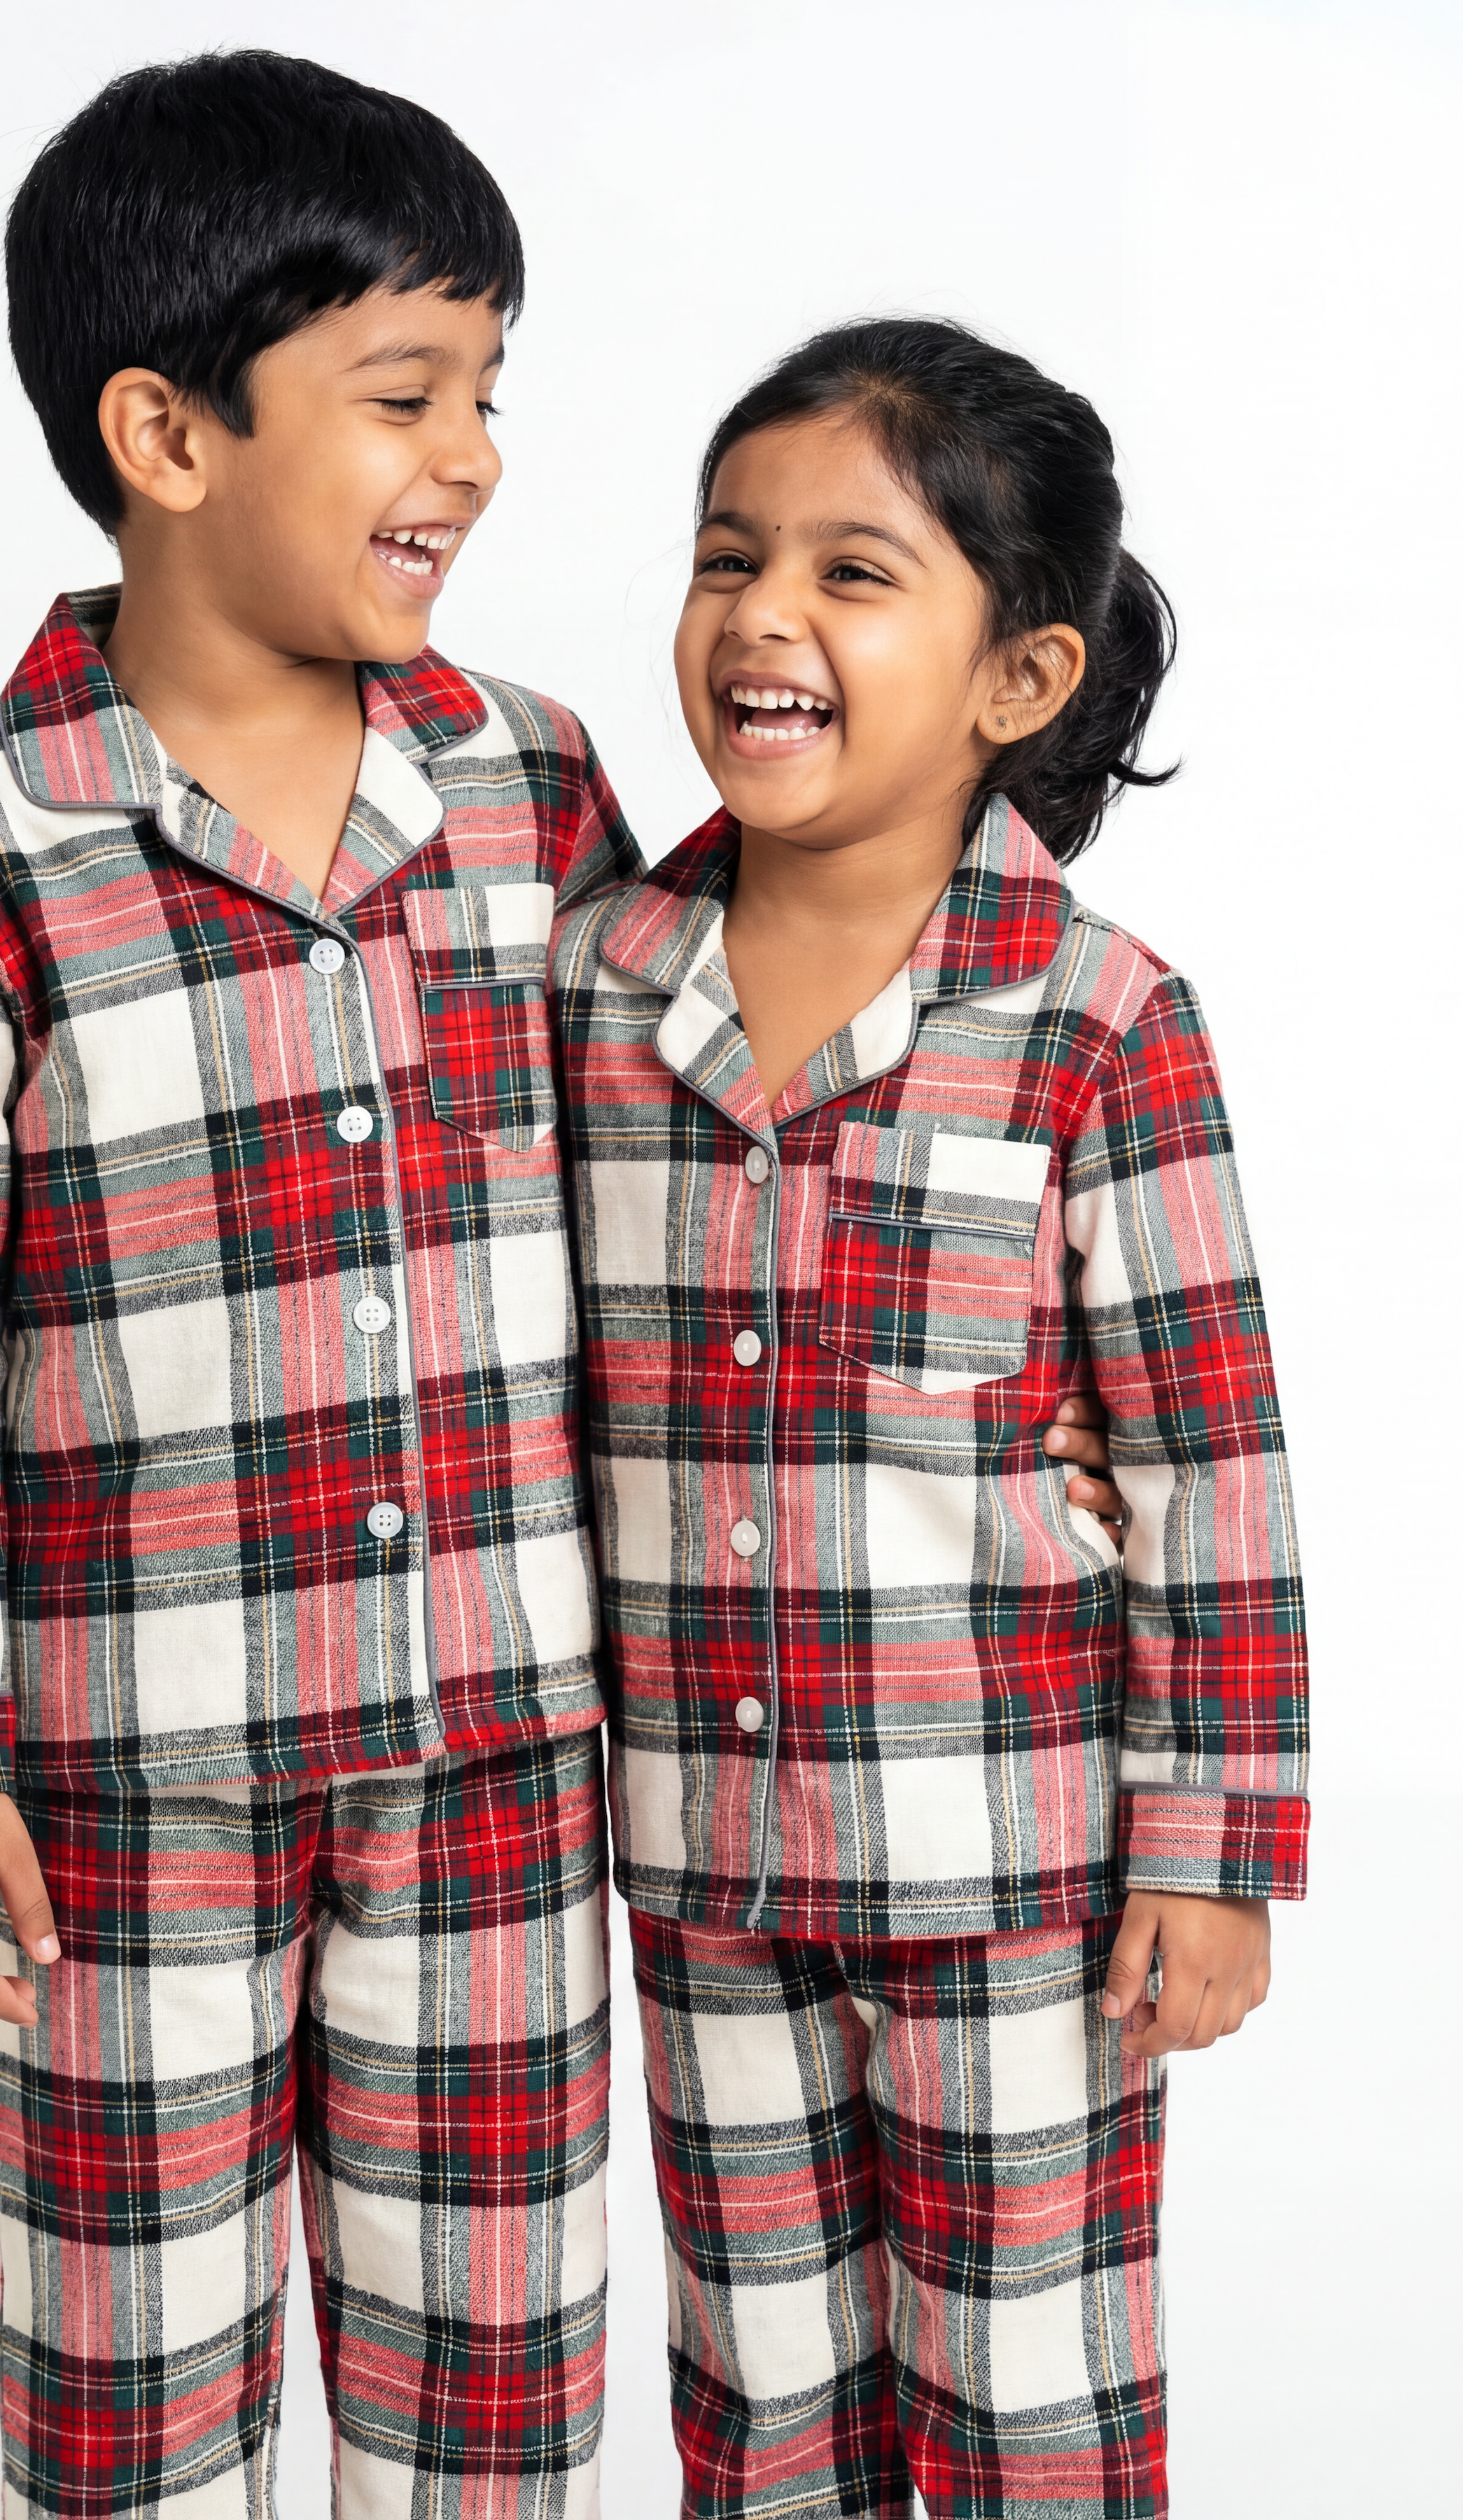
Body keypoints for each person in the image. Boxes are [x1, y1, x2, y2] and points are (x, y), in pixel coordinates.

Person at [0, 52, 1131, 2512]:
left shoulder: (530, 785)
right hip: (133, 1787)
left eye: (490, 393)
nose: (479, 456)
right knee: (132, 2409)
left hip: (509, 1779)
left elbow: (717, 1105)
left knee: (489, 2406)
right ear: (165, 434)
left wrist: (970, 1395)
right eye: (406, 394)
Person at [552, 318, 1307, 2518]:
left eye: (852, 574)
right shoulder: (590, 988)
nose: (761, 616)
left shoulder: (1097, 1022)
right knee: (763, 2414)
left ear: (1019, 681)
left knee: (1023, 2405)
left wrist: (1213, 1848)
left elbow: (1206, 1466)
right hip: (701, 1871)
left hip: (1016, 1878)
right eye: (724, 557)